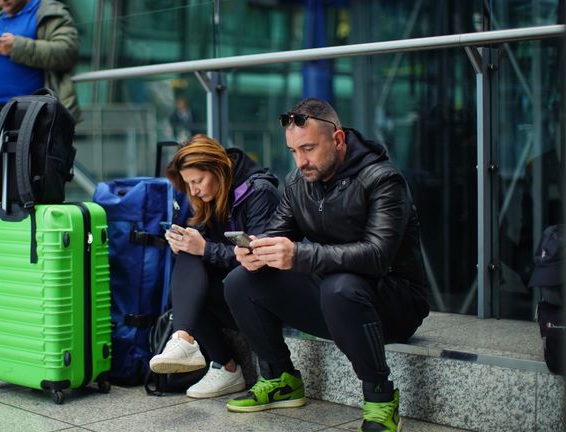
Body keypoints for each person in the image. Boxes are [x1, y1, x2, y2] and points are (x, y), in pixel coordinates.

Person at [223, 98, 429, 432]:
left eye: (308, 148)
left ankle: (380, 399)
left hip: (394, 304)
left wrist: (300, 255)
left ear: (337, 140)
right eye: (293, 151)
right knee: (240, 281)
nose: (301, 161)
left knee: (339, 286)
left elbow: (377, 255)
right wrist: (254, 253)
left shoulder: (383, 179)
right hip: (335, 300)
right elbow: (275, 236)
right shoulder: (297, 184)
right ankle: (280, 378)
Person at [148, 134, 280, 399]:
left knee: (196, 257)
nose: (193, 191)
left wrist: (204, 248)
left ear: (218, 169)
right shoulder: (211, 196)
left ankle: (207, 355)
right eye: (188, 184)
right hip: (233, 292)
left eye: (197, 181)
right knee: (187, 261)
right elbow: (202, 253)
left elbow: (261, 259)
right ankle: (192, 346)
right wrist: (185, 243)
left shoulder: (259, 192)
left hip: (268, 294)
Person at [0, 0, 80, 276]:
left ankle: (23, 254)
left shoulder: (47, 12)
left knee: (23, 187)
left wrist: (18, 46)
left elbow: (67, 52)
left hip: (23, 118)